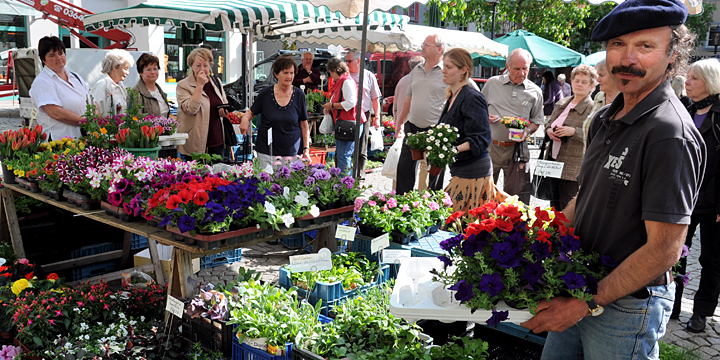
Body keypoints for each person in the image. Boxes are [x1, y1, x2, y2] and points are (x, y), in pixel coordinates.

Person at [521, 1, 705, 359]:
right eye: (618, 44)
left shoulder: (669, 133)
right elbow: (586, 195)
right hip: (578, 284)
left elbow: (664, 250)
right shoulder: (607, 116)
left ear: (674, 54)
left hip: (624, 306)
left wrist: (584, 303)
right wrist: (538, 239)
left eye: (646, 46)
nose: (628, 59)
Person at [677, 59, 720, 332]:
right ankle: (672, 303)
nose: (687, 82)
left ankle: (702, 312)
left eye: (694, 78)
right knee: (675, 253)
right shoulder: (684, 110)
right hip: (682, 197)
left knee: (712, 259)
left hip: (714, 201)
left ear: (710, 82)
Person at [437, 48, 497, 211]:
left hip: (474, 170)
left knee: (461, 222)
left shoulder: (471, 97)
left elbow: (482, 138)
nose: (444, 70)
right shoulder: (453, 95)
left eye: (449, 67)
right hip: (460, 168)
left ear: (463, 70)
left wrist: (453, 150)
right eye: (444, 66)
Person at [482, 48, 544, 194]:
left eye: (525, 69)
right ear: (507, 66)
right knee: (485, 194)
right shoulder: (492, 84)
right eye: (517, 69)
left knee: (515, 198)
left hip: (517, 151)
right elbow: (476, 110)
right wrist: (484, 117)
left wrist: (527, 131)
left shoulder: (535, 91)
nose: (521, 73)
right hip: (491, 148)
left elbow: (536, 121)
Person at [394, 35, 448, 194]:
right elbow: (408, 99)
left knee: (435, 174)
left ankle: (433, 207)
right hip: (413, 127)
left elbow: (469, 89)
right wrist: (400, 123)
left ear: (439, 50)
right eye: (423, 44)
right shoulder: (417, 70)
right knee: (404, 169)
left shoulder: (448, 70)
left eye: (426, 44)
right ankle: (401, 204)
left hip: (436, 131)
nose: (422, 47)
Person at [239, 55, 310, 169]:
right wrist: (245, 119)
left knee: (290, 185)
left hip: (292, 153)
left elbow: (304, 125)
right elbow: (251, 112)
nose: (289, 76)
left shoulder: (299, 95)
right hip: (267, 152)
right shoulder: (265, 94)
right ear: (276, 74)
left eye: (292, 73)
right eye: (285, 73)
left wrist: (306, 149)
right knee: (266, 183)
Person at [543, 64, 597, 210]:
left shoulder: (593, 108)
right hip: (553, 163)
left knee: (568, 210)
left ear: (592, 86)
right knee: (553, 207)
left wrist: (574, 131)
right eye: (576, 80)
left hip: (573, 168)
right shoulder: (562, 103)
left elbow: (596, 134)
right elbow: (547, 124)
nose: (579, 84)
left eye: (584, 82)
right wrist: (549, 131)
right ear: (571, 82)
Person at [29, 36, 91, 140]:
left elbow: (93, 100)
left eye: (61, 53)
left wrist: (96, 121)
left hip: (83, 139)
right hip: (60, 142)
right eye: (52, 55)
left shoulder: (75, 77)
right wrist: (86, 122)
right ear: (43, 60)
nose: (58, 58)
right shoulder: (42, 82)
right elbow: (56, 113)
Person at [176, 47, 230, 158]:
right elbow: (191, 109)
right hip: (196, 142)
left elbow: (224, 102)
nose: (202, 69)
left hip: (217, 139)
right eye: (198, 65)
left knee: (217, 173)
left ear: (210, 66)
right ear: (191, 66)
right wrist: (200, 86)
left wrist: (224, 111)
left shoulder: (216, 82)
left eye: (205, 65)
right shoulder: (183, 85)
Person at [323, 57, 362, 174]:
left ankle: (345, 185)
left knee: (344, 156)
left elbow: (351, 102)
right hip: (344, 123)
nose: (331, 76)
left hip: (349, 124)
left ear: (335, 70)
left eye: (331, 73)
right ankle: (343, 184)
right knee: (342, 155)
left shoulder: (347, 82)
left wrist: (332, 106)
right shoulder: (342, 81)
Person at [345, 50, 381, 176]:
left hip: (364, 115)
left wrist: (377, 117)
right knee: (344, 149)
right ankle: (344, 177)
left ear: (358, 61)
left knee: (362, 149)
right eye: (346, 61)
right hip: (347, 116)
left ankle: (359, 177)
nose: (347, 63)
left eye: (350, 61)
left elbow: (375, 98)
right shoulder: (345, 75)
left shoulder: (368, 76)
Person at [92, 49, 134, 116]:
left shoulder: (121, 87)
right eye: (125, 68)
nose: (128, 73)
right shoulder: (102, 86)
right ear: (114, 67)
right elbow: (95, 114)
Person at [585, 59, 621, 137]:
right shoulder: (599, 96)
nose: (597, 80)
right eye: (597, 75)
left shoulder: (625, 101)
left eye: (601, 75)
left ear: (615, 76)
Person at [132, 53, 170, 118]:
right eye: (148, 69)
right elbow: (135, 120)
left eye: (155, 69)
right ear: (141, 72)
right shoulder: (136, 92)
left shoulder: (160, 91)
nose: (152, 72)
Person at [392, 56, 424, 122]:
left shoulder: (402, 81)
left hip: (402, 122)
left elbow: (395, 106)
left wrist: (397, 121)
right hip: (416, 123)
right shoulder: (423, 81)